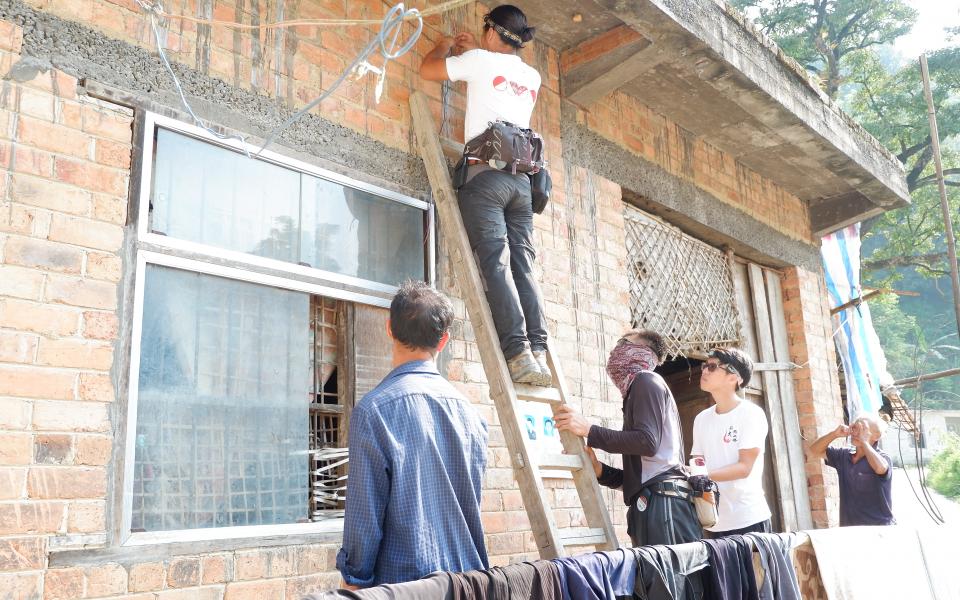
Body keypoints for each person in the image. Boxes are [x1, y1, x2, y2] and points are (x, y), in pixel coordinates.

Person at [420, 5, 552, 386]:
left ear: (491, 31)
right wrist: (472, 54)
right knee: (522, 265)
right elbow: (497, 79)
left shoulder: (478, 60)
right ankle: (538, 350)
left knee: (495, 263)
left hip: (486, 179)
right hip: (522, 184)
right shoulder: (533, 75)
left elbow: (428, 71)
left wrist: (446, 45)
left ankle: (517, 353)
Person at [336, 281, 488, 588]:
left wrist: (354, 579)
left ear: (389, 329)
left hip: (405, 587)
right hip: (469, 584)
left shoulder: (374, 410)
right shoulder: (473, 416)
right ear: (443, 341)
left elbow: (364, 516)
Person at [554, 329, 703, 546]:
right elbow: (644, 476)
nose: (615, 351)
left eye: (623, 343)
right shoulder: (638, 389)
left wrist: (589, 430)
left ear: (641, 351)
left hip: (664, 506)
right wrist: (601, 472)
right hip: (654, 503)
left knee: (668, 579)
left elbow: (647, 443)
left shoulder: (646, 381)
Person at [690, 348, 773, 537]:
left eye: (712, 367)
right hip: (713, 522)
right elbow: (698, 463)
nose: (704, 371)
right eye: (704, 366)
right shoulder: (701, 419)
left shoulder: (751, 414)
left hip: (749, 519)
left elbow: (744, 468)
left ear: (734, 377)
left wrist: (702, 476)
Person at [807, 413, 895, 526]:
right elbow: (815, 450)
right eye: (855, 428)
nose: (856, 433)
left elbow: (880, 468)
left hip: (878, 529)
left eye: (863, 429)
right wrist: (834, 434)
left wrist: (864, 442)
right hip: (849, 529)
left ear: (876, 436)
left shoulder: (883, 458)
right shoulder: (844, 455)